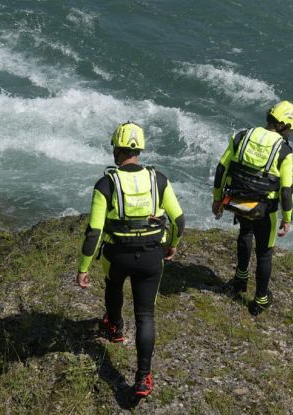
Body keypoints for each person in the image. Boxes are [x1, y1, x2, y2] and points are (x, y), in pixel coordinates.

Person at [77, 122, 184, 399]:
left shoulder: (105, 184)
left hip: (118, 255)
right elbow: (179, 220)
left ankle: (114, 328)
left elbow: (94, 233)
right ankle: (143, 378)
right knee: (145, 316)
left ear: (117, 149)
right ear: (139, 150)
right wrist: (172, 245)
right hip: (151, 257)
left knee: (113, 284)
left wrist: (83, 268)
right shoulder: (158, 179)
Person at [212, 101, 293, 316]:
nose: (291, 133)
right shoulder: (284, 151)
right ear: (282, 125)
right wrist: (286, 217)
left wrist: (217, 199)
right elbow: (286, 189)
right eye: (290, 129)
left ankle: (240, 279)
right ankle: (260, 299)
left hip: (238, 202)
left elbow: (221, 168)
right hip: (264, 210)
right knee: (264, 253)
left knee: (245, 233)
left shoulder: (242, 136)